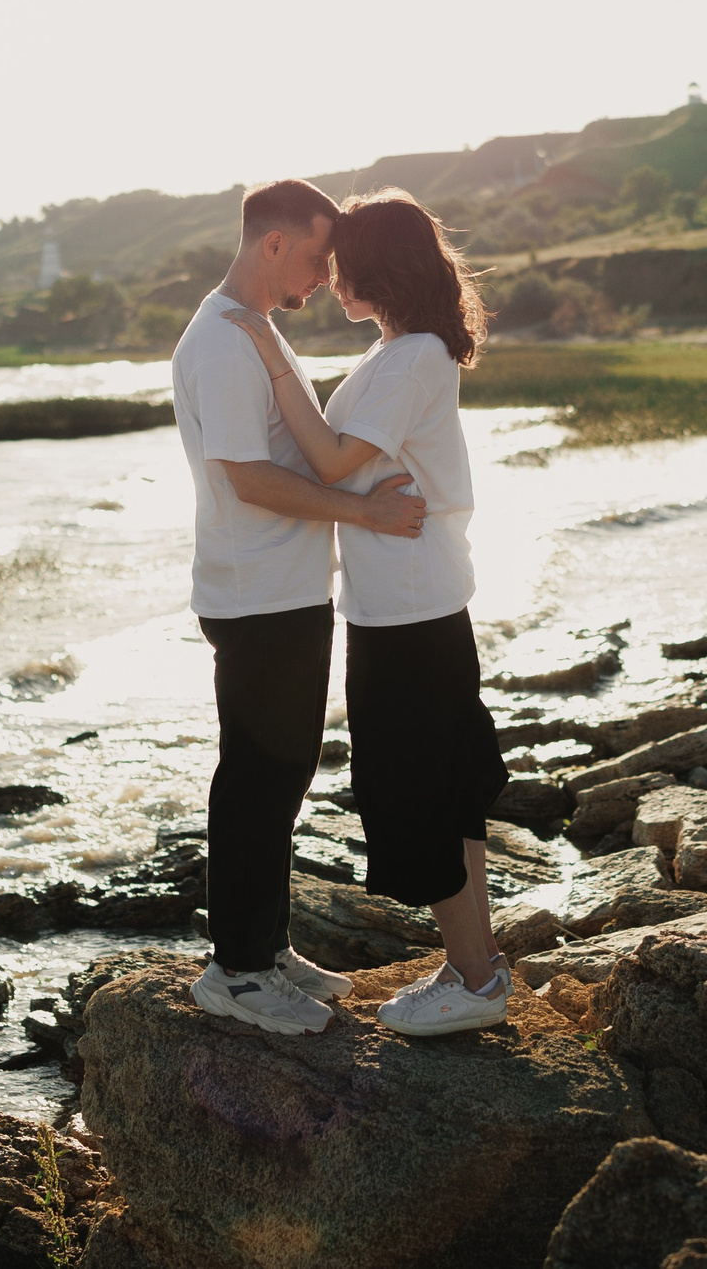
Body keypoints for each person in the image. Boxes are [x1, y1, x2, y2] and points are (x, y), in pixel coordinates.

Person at [224, 188, 509, 1036]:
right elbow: (344, 465)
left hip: (410, 614)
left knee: (422, 794)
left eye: (342, 263)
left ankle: (475, 981)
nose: (330, 276)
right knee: (443, 791)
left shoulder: (413, 356)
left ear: (377, 268)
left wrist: (272, 359)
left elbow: (333, 456)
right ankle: (477, 973)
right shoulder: (397, 353)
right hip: (407, 607)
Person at [171, 178, 431, 1035]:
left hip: (283, 589)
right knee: (255, 778)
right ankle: (236, 973)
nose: (327, 274)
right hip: (255, 594)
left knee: (280, 776)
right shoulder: (222, 340)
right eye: (319, 256)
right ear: (273, 243)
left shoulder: (255, 330)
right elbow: (247, 476)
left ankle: (264, 948)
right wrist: (366, 513)